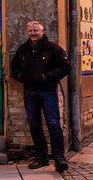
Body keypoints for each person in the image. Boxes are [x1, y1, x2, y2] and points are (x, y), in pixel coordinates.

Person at [10, 20, 71, 172]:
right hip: (29, 91)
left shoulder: (53, 48)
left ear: (43, 31)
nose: (33, 33)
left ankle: (59, 158)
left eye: (36, 30)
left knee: (53, 124)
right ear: (27, 32)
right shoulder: (23, 49)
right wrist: (20, 76)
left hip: (47, 91)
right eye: (30, 31)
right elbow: (14, 66)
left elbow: (65, 67)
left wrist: (47, 77)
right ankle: (41, 157)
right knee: (35, 126)